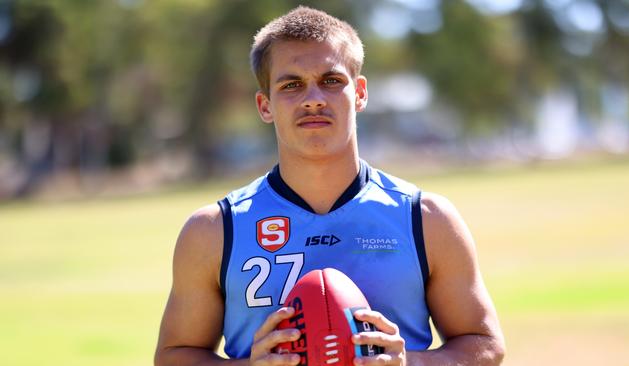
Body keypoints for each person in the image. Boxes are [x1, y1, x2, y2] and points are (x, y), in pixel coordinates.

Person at [155, 6, 505, 366]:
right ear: (265, 105)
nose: (313, 99)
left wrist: (411, 363)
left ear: (361, 93)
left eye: (331, 80)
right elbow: (174, 356)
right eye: (291, 85)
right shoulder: (214, 229)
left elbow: (485, 345)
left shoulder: (425, 218)